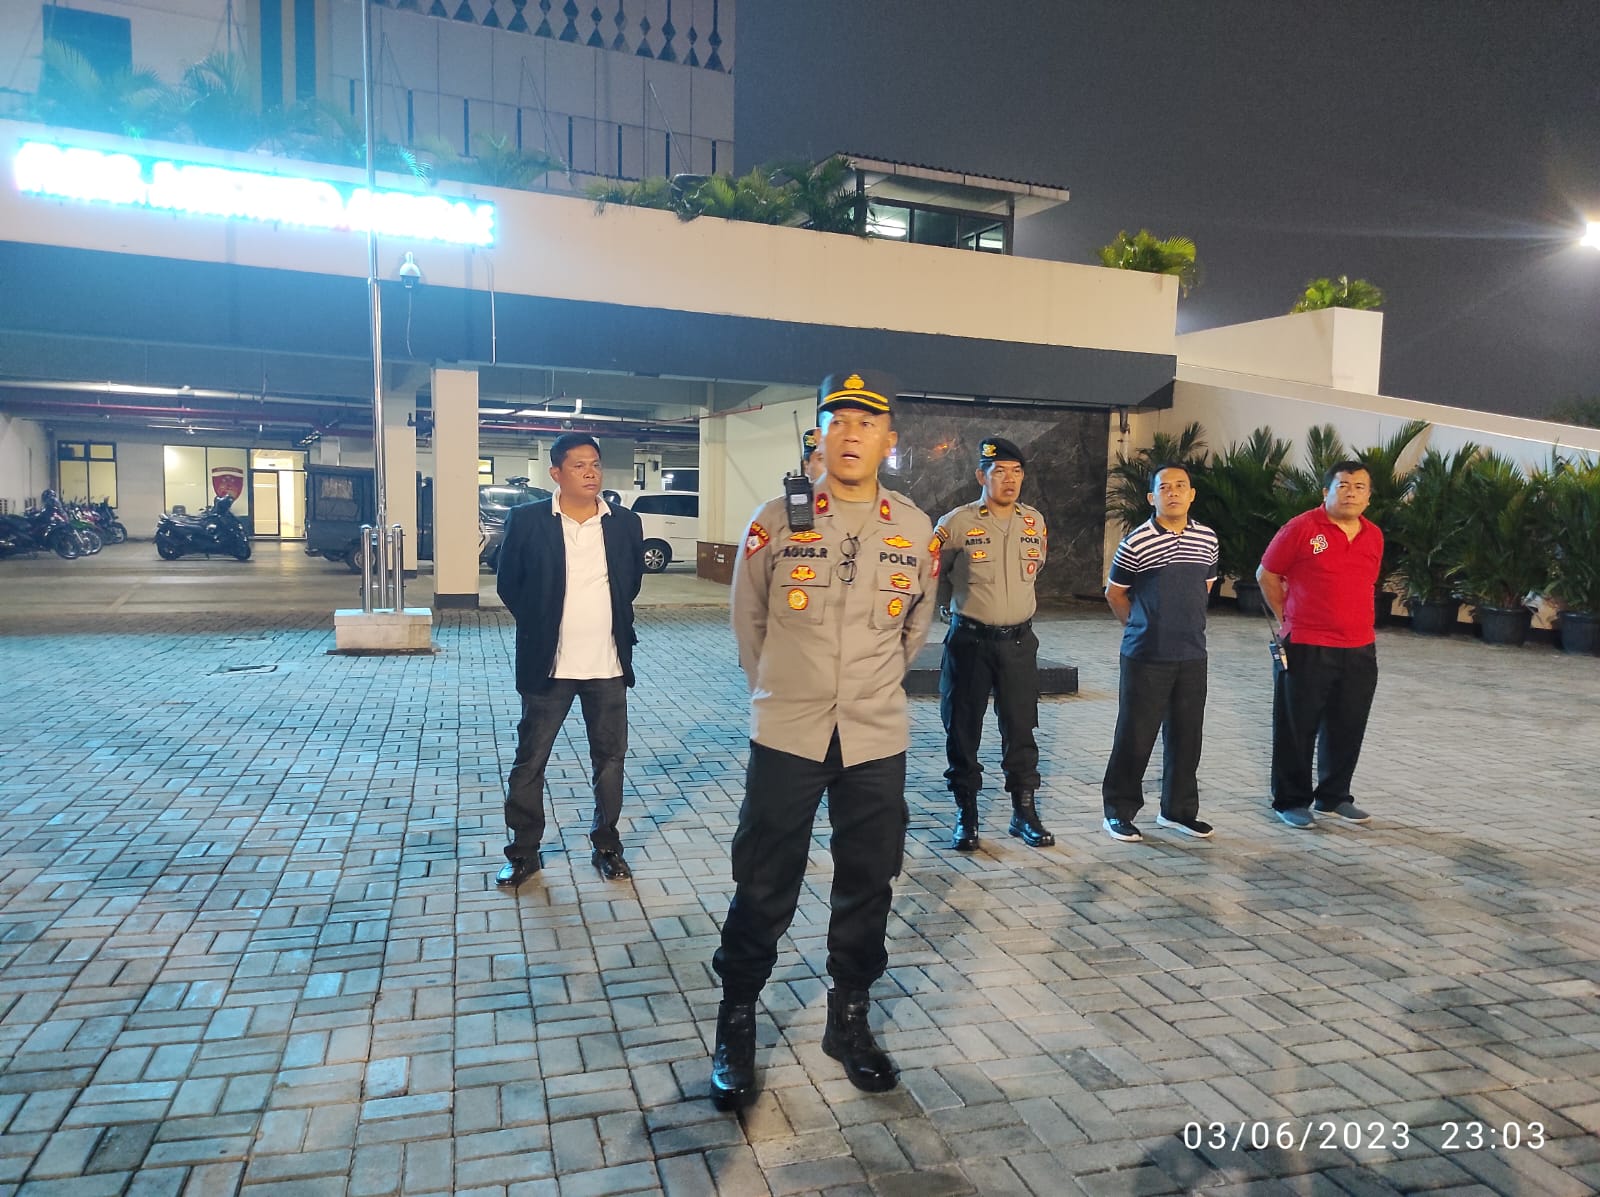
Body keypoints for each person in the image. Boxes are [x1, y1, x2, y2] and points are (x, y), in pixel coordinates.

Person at [709, 370, 937, 1110]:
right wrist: (784, 687)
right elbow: (750, 625)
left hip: (875, 733)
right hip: (789, 729)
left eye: (866, 424)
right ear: (820, 434)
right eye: (838, 421)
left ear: (887, 441)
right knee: (765, 877)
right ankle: (737, 1017)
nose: (851, 435)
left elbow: (913, 630)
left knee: (869, 877)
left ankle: (850, 1017)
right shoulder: (775, 519)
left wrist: (865, 688)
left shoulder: (914, 528)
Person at [494, 433, 646, 885]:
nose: (590, 472)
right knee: (530, 760)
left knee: (610, 759)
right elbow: (509, 585)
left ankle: (607, 845)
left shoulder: (624, 523)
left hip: (607, 665)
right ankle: (524, 852)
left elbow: (630, 581)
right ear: (556, 473)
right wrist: (543, 624)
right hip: (549, 666)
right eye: (578, 465)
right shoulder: (527, 520)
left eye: (595, 464)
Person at [931, 437, 1052, 852]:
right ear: (981, 476)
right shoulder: (956, 523)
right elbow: (934, 573)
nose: (1009, 480)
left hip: (1019, 643)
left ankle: (1024, 813)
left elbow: (1035, 572)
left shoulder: (1034, 522)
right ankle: (967, 815)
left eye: (1017, 472)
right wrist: (947, 611)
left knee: (1021, 729)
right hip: (970, 643)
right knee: (963, 730)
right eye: (999, 471)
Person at [1257, 461, 1383, 829]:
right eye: (1343, 485)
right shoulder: (1302, 528)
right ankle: (1291, 800)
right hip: (1307, 644)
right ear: (1325, 491)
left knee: (1348, 724)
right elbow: (1266, 575)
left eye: (1360, 487)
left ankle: (1334, 796)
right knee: (1298, 727)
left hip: (1360, 646)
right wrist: (1288, 618)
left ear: (1369, 497)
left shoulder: (1373, 535)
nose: (1351, 493)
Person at [1101, 463, 1220, 842]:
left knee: (1188, 737)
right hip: (1146, 656)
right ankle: (1118, 811)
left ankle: (1178, 811)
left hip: (1191, 655)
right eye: (1164, 487)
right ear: (1152, 497)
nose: (1173, 492)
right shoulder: (1137, 541)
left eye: (1180, 486)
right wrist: (1140, 626)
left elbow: (1206, 587)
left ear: (1191, 494)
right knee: (1135, 736)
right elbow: (1115, 593)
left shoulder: (1207, 538)